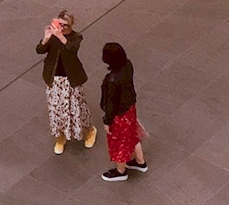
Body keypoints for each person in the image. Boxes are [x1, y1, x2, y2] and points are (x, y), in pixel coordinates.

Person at [35, 10, 95, 154]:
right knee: (57, 109)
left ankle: (89, 130)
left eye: (65, 25)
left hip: (71, 79)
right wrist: (46, 39)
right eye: (60, 24)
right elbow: (40, 50)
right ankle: (61, 136)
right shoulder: (53, 36)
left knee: (78, 108)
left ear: (71, 25)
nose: (61, 28)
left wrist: (60, 36)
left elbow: (71, 50)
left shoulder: (76, 37)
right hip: (55, 79)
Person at [99, 42, 147, 181]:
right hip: (130, 109)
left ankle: (121, 171)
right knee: (132, 135)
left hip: (119, 116)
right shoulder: (128, 65)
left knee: (119, 143)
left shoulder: (112, 80)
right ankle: (140, 162)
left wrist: (107, 121)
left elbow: (110, 104)